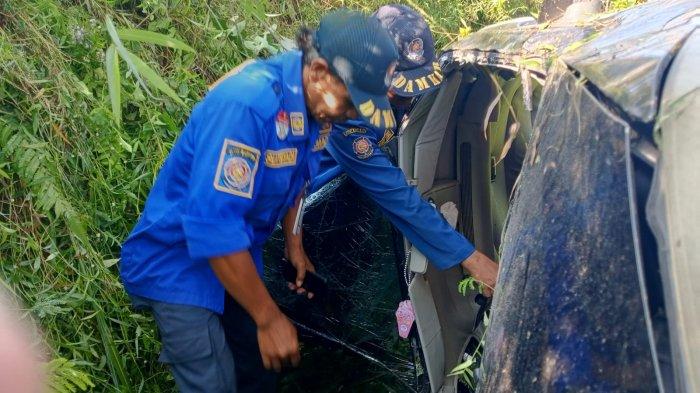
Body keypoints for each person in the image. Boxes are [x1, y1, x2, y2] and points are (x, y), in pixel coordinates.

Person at [119, 10, 399, 392]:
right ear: (319, 73)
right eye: (351, 103)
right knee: (213, 380)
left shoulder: (314, 108)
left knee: (260, 370)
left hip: (237, 251)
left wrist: (294, 244)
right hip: (180, 261)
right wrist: (268, 319)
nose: (352, 115)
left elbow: (298, 179)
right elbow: (213, 227)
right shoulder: (248, 106)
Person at [312, 4, 499, 295]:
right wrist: (472, 259)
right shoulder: (341, 109)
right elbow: (396, 197)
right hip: (320, 205)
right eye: (397, 86)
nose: (405, 95)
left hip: (362, 187)